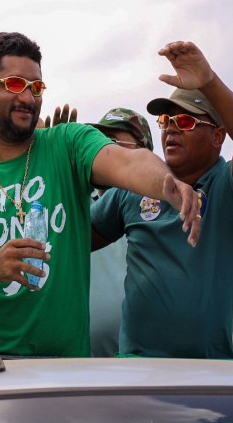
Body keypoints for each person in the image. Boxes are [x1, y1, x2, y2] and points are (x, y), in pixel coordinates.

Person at [0, 32, 199, 357]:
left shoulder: (69, 144)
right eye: (15, 84)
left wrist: (166, 184)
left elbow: (127, 160)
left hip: (62, 378)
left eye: (36, 87)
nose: (28, 98)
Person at [89, 41, 233, 358]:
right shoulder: (135, 187)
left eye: (185, 122)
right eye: (166, 122)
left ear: (218, 136)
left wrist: (209, 82)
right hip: (136, 371)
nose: (171, 130)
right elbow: (73, 237)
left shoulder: (230, 188)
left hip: (209, 374)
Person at [87, 107, 153, 357]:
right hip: (78, 368)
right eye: (99, 141)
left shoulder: (164, 210)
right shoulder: (74, 200)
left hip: (147, 370)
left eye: (114, 141)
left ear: (144, 153)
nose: (105, 149)